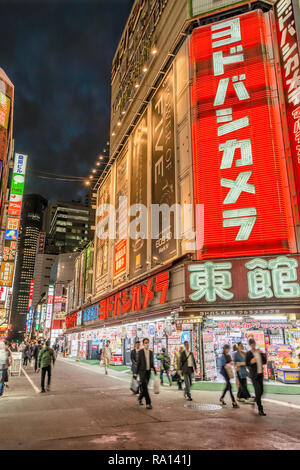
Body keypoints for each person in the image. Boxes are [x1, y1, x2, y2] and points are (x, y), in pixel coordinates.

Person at [245, 338, 267, 416]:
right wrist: (251, 361)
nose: (253, 346)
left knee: (261, 391)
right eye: (251, 345)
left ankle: (255, 399)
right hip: (254, 375)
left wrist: (263, 354)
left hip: (260, 374)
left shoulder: (259, 352)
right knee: (258, 391)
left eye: (254, 344)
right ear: (250, 345)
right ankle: (260, 409)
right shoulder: (248, 353)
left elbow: (265, 362)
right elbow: (246, 363)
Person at [134, 338, 157, 409]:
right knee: (145, 388)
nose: (147, 344)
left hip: (148, 372)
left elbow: (152, 363)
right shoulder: (140, 352)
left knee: (145, 388)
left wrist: (155, 370)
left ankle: (140, 397)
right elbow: (138, 363)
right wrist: (136, 373)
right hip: (142, 372)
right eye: (145, 343)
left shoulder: (151, 352)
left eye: (148, 342)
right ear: (143, 344)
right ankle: (148, 403)